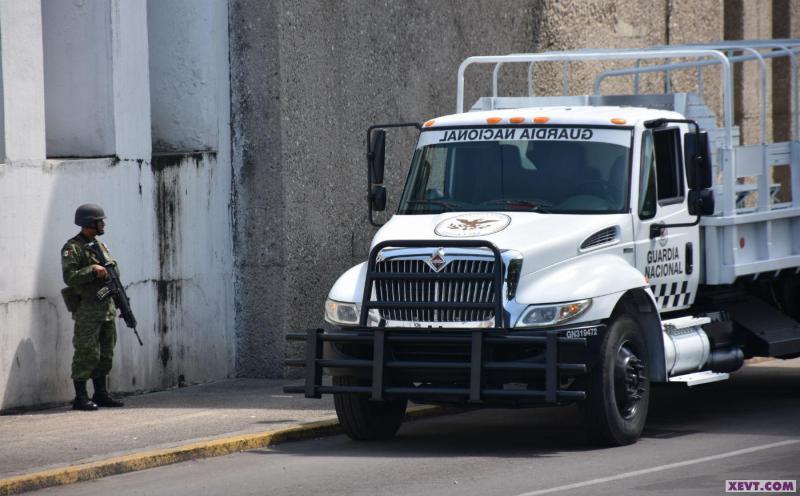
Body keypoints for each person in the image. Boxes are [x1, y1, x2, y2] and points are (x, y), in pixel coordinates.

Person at [61, 204, 124, 411]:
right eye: (100, 221)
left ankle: (101, 393)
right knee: (87, 352)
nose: (103, 224)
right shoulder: (73, 248)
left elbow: (113, 272)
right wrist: (92, 269)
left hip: (106, 308)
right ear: (90, 223)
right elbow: (70, 277)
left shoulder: (100, 246)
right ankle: (80, 397)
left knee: (106, 353)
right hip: (88, 309)